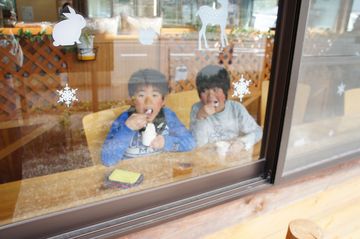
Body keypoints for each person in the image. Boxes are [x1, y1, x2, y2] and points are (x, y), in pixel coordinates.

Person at [102, 69, 196, 166]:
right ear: (133, 100)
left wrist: (166, 142)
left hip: (161, 174)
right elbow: (107, 159)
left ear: (163, 101)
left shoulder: (168, 116)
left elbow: (190, 143)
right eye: (141, 95)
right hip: (132, 176)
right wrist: (127, 129)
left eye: (154, 95)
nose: (148, 102)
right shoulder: (124, 120)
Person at [190, 65, 262, 150]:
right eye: (204, 91)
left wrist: (242, 143)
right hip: (210, 159)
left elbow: (258, 132)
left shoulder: (236, 109)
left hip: (235, 156)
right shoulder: (197, 109)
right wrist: (200, 118)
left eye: (215, 89)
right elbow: (198, 145)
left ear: (225, 91)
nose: (210, 96)